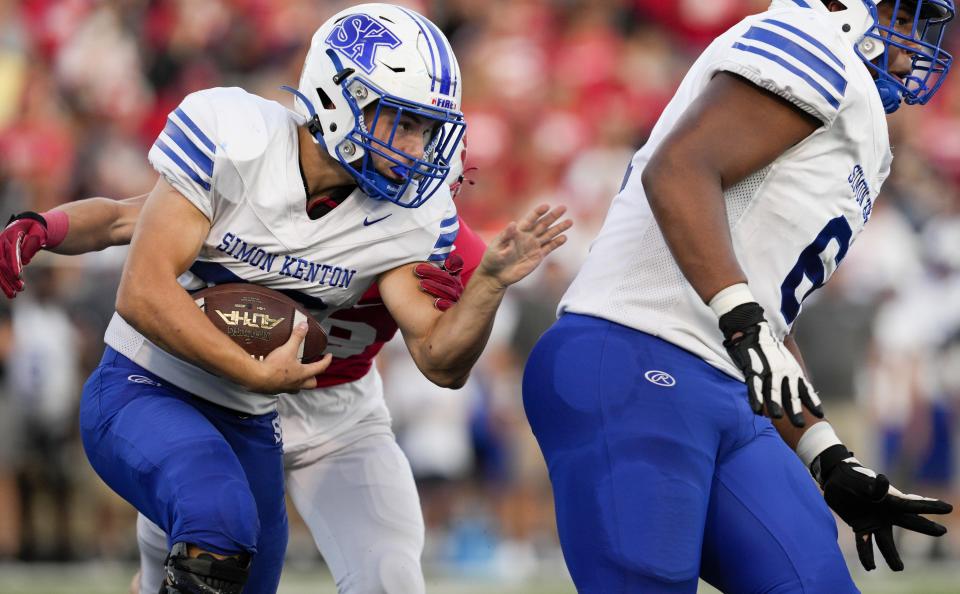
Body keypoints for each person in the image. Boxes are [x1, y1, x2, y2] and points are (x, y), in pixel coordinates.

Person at [2, 4, 571, 594]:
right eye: (403, 122)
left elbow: (439, 359)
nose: (419, 146)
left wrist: (490, 284)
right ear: (338, 97)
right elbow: (134, 258)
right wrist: (43, 227)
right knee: (213, 532)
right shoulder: (237, 141)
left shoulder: (411, 218)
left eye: (426, 128)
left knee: (377, 577)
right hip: (172, 379)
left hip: (314, 407)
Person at [522, 1, 953, 593]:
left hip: (727, 389)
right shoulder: (812, 41)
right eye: (904, 19)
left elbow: (763, 305)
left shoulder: (863, 126)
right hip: (634, 353)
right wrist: (745, 323)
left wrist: (828, 456)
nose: (912, 48)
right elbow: (679, 169)